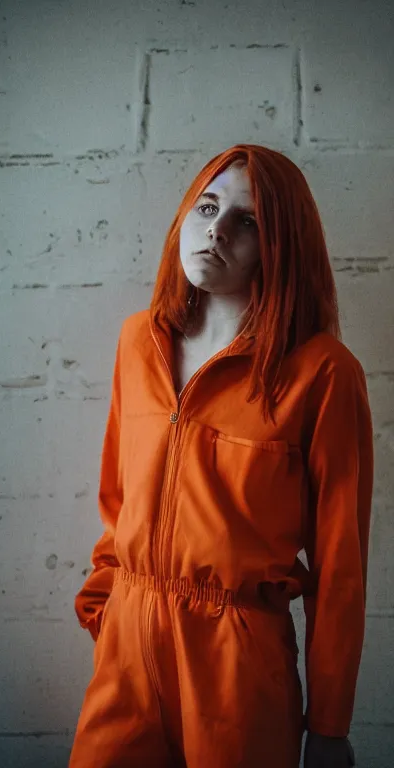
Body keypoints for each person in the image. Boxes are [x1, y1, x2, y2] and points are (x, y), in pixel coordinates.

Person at [68, 144, 373, 768]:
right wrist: (107, 617)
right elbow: (116, 501)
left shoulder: (323, 374)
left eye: (248, 220)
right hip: (127, 645)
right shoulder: (138, 341)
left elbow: (340, 564)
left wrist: (331, 725)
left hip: (239, 666)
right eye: (207, 207)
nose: (217, 229)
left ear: (279, 245)